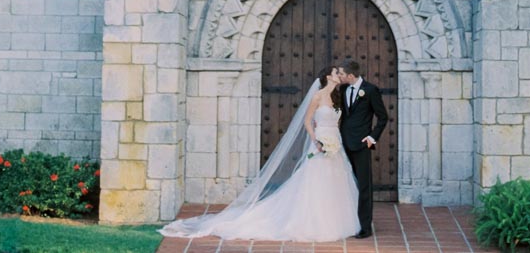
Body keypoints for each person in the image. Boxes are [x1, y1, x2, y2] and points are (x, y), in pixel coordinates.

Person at [159, 67, 360, 242]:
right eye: (336, 72)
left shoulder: (337, 97)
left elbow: (337, 121)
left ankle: (334, 220)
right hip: (319, 144)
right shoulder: (317, 96)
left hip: (335, 144)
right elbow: (308, 121)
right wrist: (316, 140)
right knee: (316, 182)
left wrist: (334, 141)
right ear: (327, 76)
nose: (339, 75)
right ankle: (314, 223)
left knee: (335, 182)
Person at [339, 60, 389, 239]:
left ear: (351, 75)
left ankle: (365, 227)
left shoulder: (370, 90)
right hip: (343, 144)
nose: (340, 77)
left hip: (361, 145)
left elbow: (383, 117)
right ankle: (347, 221)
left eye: (342, 74)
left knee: (364, 186)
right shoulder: (343, 90)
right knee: (345, 184)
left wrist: (372, 137)